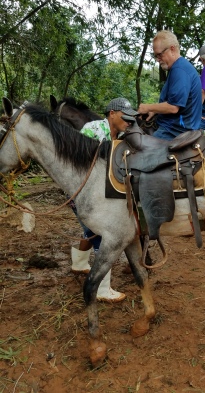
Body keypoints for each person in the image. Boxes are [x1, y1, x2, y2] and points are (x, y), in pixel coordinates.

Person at [71, 97, 139, 303]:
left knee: (91, 230)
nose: (129, 120)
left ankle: (79, 263)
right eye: (125, 116)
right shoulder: (92, 130)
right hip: (82, 191)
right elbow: (77, 163)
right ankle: (102, 289)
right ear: (112, 114)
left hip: (103, 192)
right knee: (101, 233)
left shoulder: (123, 135)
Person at [138, 30, 202, 140]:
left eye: (159, 54)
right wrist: (154, 110)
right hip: (174, 125)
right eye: (155, 56)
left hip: (175, 130)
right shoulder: (178, 67)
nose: (157, 59)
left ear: (172, 49)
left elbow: (173, 107)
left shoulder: (180, 70)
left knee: (140, 151)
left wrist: (147, 107)